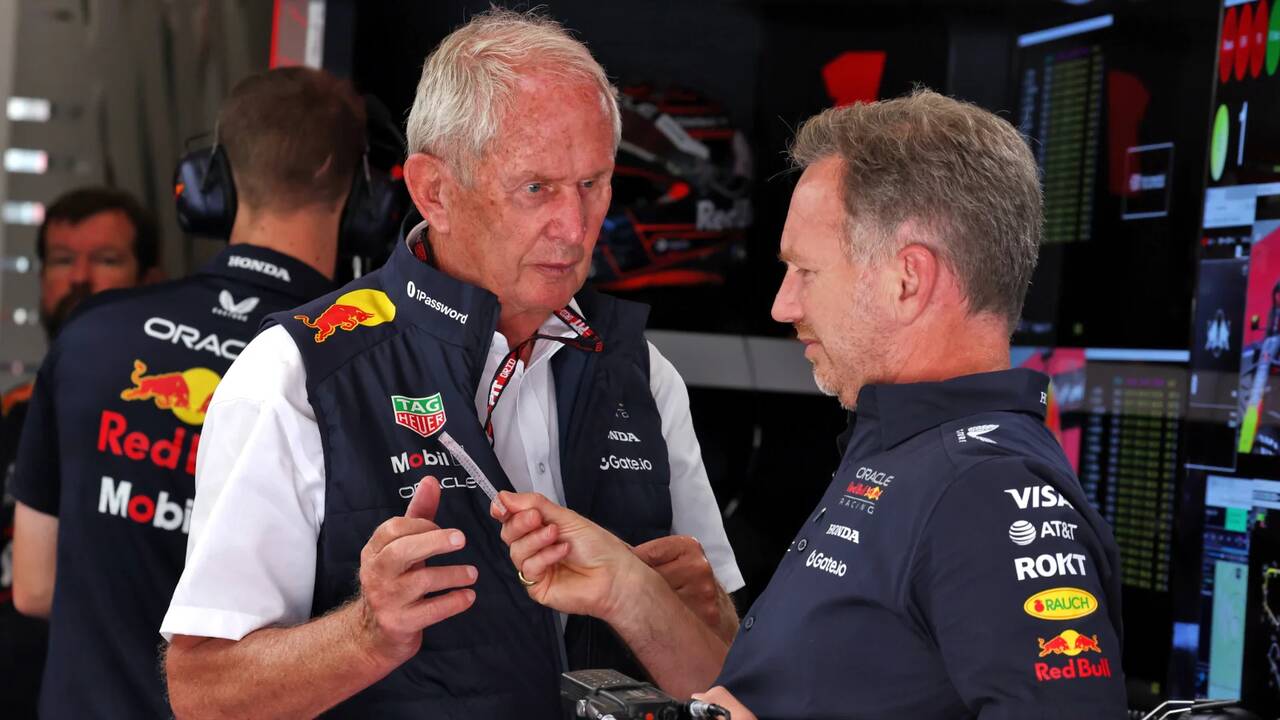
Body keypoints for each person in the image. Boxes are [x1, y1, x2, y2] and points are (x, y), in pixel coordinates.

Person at [161, 9, 742, 720]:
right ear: (434, 190)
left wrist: (666, 608)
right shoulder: (297, 374)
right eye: (536, 188)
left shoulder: (643, 373)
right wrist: (367, 634)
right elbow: (202, 693)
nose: (574, 227)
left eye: (593, 183)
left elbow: (726, 687)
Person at [491, 89, 1129, 719]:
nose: (783, 305)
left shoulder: (985, 492)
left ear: (908, 279)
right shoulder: (906, 453)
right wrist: (627, 588)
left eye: (806, 271)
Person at [8, 66, 362, 717]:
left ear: (212, 182)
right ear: (364, 197)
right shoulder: (363, 361)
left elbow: (33, 586)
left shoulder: (92, 332)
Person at [1, 186, 162, 719]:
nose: (79, 277)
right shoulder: (10, 417)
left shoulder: (175, 430)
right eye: (62, 260)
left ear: (151, 281)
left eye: (106, 260)